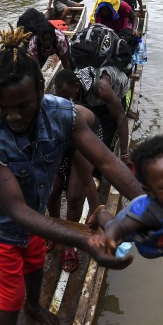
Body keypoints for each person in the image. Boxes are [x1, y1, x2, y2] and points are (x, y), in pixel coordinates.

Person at [0, 25, 142, 325]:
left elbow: (106, 163)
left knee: (36, 261)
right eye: (3, 106)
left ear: (40, 93)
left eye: (23, 106)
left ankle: (34, 305)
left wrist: (148, 204)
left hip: (34, 213)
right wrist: (86, 238)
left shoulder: (62, 114)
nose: (13, 116)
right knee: (6, 296)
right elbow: (16, 211)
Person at [46, 69, 105, 273]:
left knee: (74, 196)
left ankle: (69, 243)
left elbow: (85, 177)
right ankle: (54, 231)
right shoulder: (43, 121)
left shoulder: (71, 120)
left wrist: (97, 207)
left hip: (84, 141)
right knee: (52, 188)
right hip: (61, 141)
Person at [74, 63, 133, 163]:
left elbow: (121, 117)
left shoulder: (101, 87)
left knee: (107, 141)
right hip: (97, 100)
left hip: (118, 94)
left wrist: (124, 154)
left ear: (76, 88)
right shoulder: (71, 89)